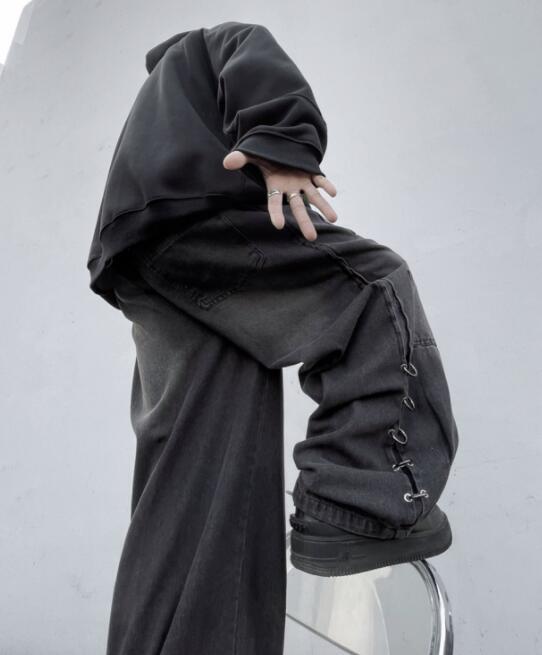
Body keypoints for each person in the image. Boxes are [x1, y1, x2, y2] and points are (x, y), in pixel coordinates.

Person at [87, 21, 460, 655]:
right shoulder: (202, 47)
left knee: (196, 461)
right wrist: (284, 141)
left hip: (144, 263)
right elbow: (248, 47)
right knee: (374, 289)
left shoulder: (152, 110)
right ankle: (353, 505)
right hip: (193, 220)